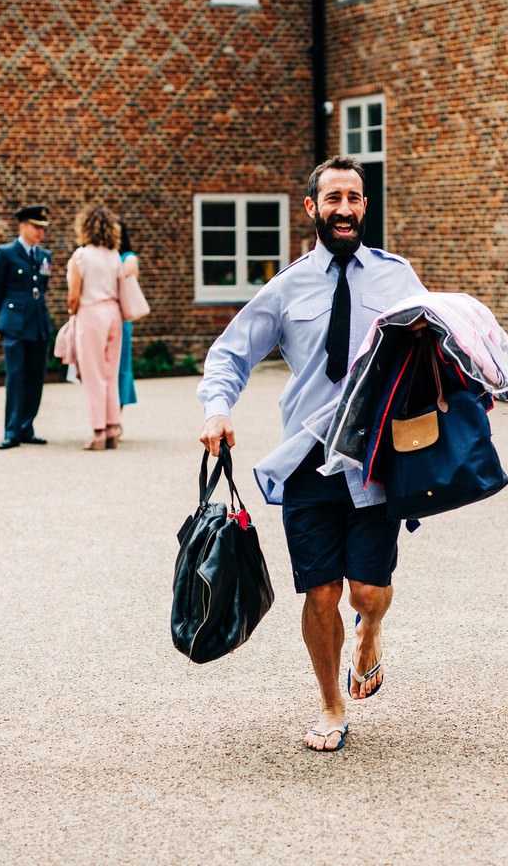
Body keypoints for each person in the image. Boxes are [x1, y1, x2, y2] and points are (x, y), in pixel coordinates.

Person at [197, 156, 426, 753]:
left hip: (374, 458)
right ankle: (330, 704)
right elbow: (229, 354)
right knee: (320, 591)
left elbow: (438, 346)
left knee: (367, 592)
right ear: (312, 209)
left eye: (354, 198)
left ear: (365, 207)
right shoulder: (287, 286)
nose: (344, 209)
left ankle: (370, 632)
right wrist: (216, 410)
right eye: (333, 200)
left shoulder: (399, 277)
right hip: (307, 455)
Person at [0, 205, 54, 450]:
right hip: (15, 323)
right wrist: (7, 312)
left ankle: (27, 427)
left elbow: (43, 287)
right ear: (22, 226)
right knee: (16, 377)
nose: (40, 232)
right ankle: (12, 430)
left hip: (37, 323)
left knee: (35, 378)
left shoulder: (44, 256)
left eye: (43, 228)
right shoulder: (5, 253)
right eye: (36, 227)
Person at [65, 206, 125, 450]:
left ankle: (98, 432)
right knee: (110, 373)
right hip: (114, 313)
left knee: (93, 375)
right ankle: (113, 428)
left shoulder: (81, 256)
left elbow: (73, 296)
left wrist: (71, 313)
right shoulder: (114, 255)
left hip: (90, 313)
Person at [117, 218, 139, 413]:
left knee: (121, 365)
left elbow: (130, 275)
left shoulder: (128, 257)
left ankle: (117, 413)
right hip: (100, 318)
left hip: (121, 318)